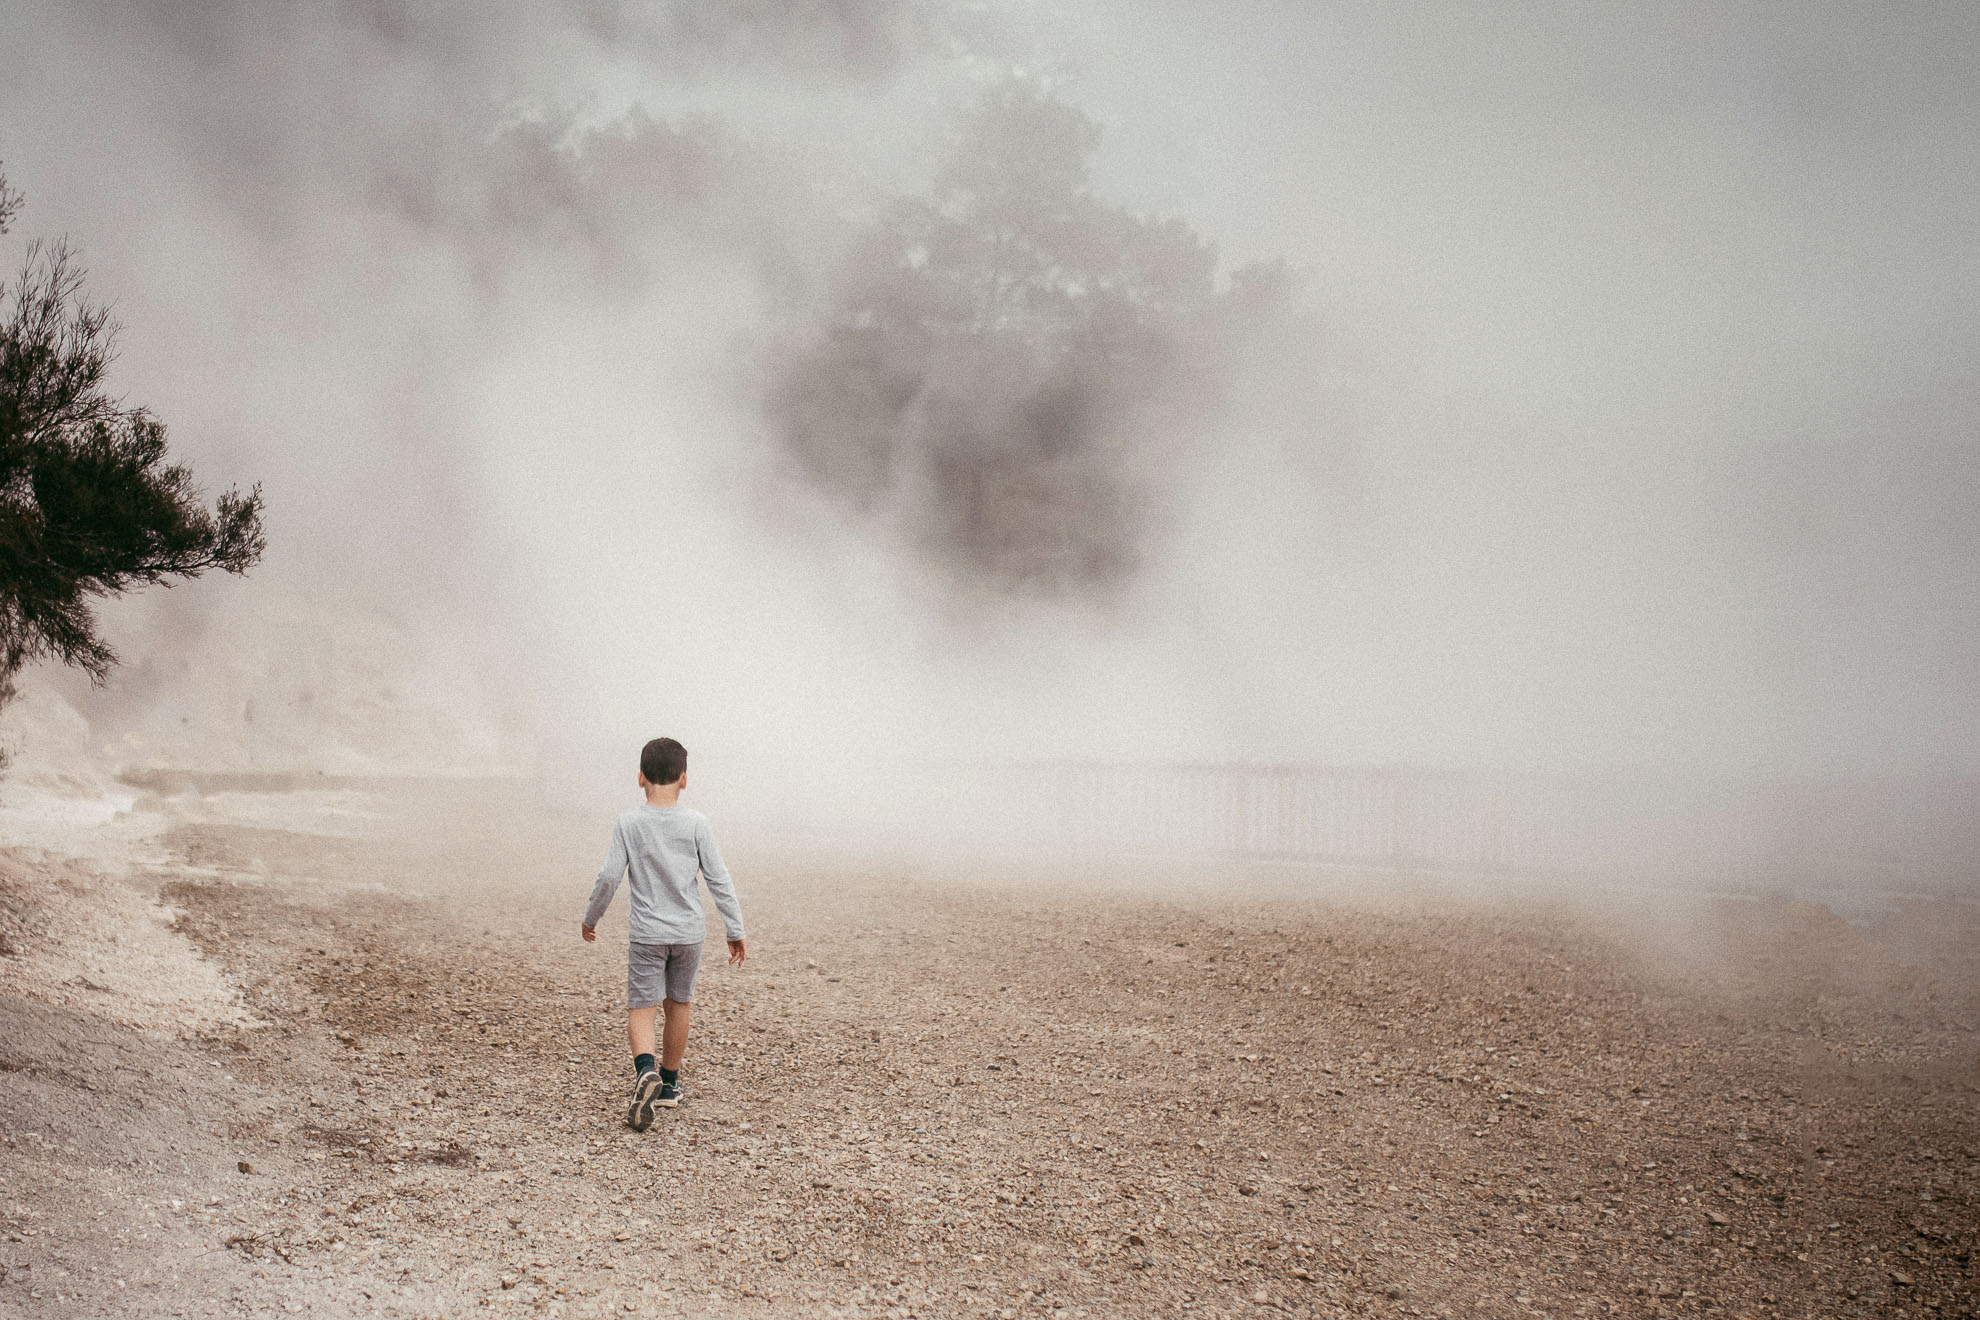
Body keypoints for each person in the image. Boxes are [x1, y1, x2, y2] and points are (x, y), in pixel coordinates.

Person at [581, 737, 746, 1130]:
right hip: (689, 933)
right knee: (680, 1004)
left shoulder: (628, 823)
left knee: (642, 1005)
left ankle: (644, 1071)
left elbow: (608, 876)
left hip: (648, 933)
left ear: (640, 778)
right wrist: (734, 927)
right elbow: (718, 879)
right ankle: (669, 1083)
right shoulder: (697, 824)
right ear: (684, 780)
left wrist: (592, 917)